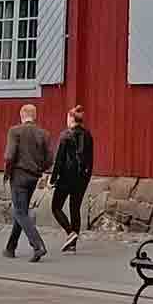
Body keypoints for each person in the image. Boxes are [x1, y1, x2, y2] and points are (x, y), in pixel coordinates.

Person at [3, 103, 52, 262]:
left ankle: (38, 246)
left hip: (18, 175)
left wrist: (7, 172)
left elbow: (10, 156)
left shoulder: (14, 131)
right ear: (35, 116)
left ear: (22, 115)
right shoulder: (43, 134)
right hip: (33, 176)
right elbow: (49, 159)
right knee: (21, 210)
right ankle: (11, 247)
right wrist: (40, 169)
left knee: (19, 212)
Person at [50, 105, 93, 252]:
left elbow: (59, 160)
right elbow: (90, 159)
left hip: (66, 178)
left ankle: (70, 233)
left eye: (67, 117)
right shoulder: (88, 135)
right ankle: (72, 245)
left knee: (55, 207)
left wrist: (52, 179)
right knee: (75, 209)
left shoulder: (65, 136)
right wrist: (87, 177)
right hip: (82, 178)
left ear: (71, 119)